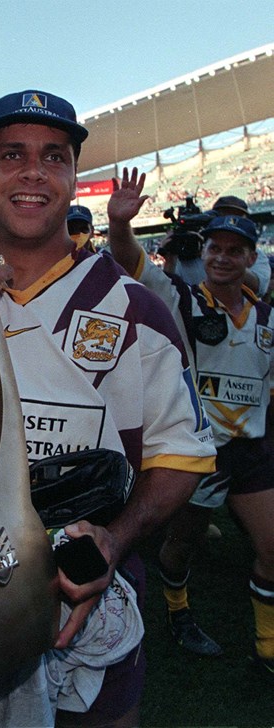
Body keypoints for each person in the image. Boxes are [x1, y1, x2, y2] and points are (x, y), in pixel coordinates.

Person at [0, 90, 215, 727]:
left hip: (93, 594)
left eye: (54, 157)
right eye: (12, 155)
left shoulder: (135, 311)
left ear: (72, 180)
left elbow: (182, 452)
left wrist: (116, 539)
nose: (33, 171)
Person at [107, 168, 274, 677]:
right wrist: (118, 223)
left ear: (251, 258)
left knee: (272, 547)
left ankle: (267, 645)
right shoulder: (181, 299)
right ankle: (177, 609)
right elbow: (128, 260)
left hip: (251, 451)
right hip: (199, 451)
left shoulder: (267, 316)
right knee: (183, 543)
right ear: (203, 255)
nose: (222, 258)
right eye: (214, 249)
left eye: (234, 251)